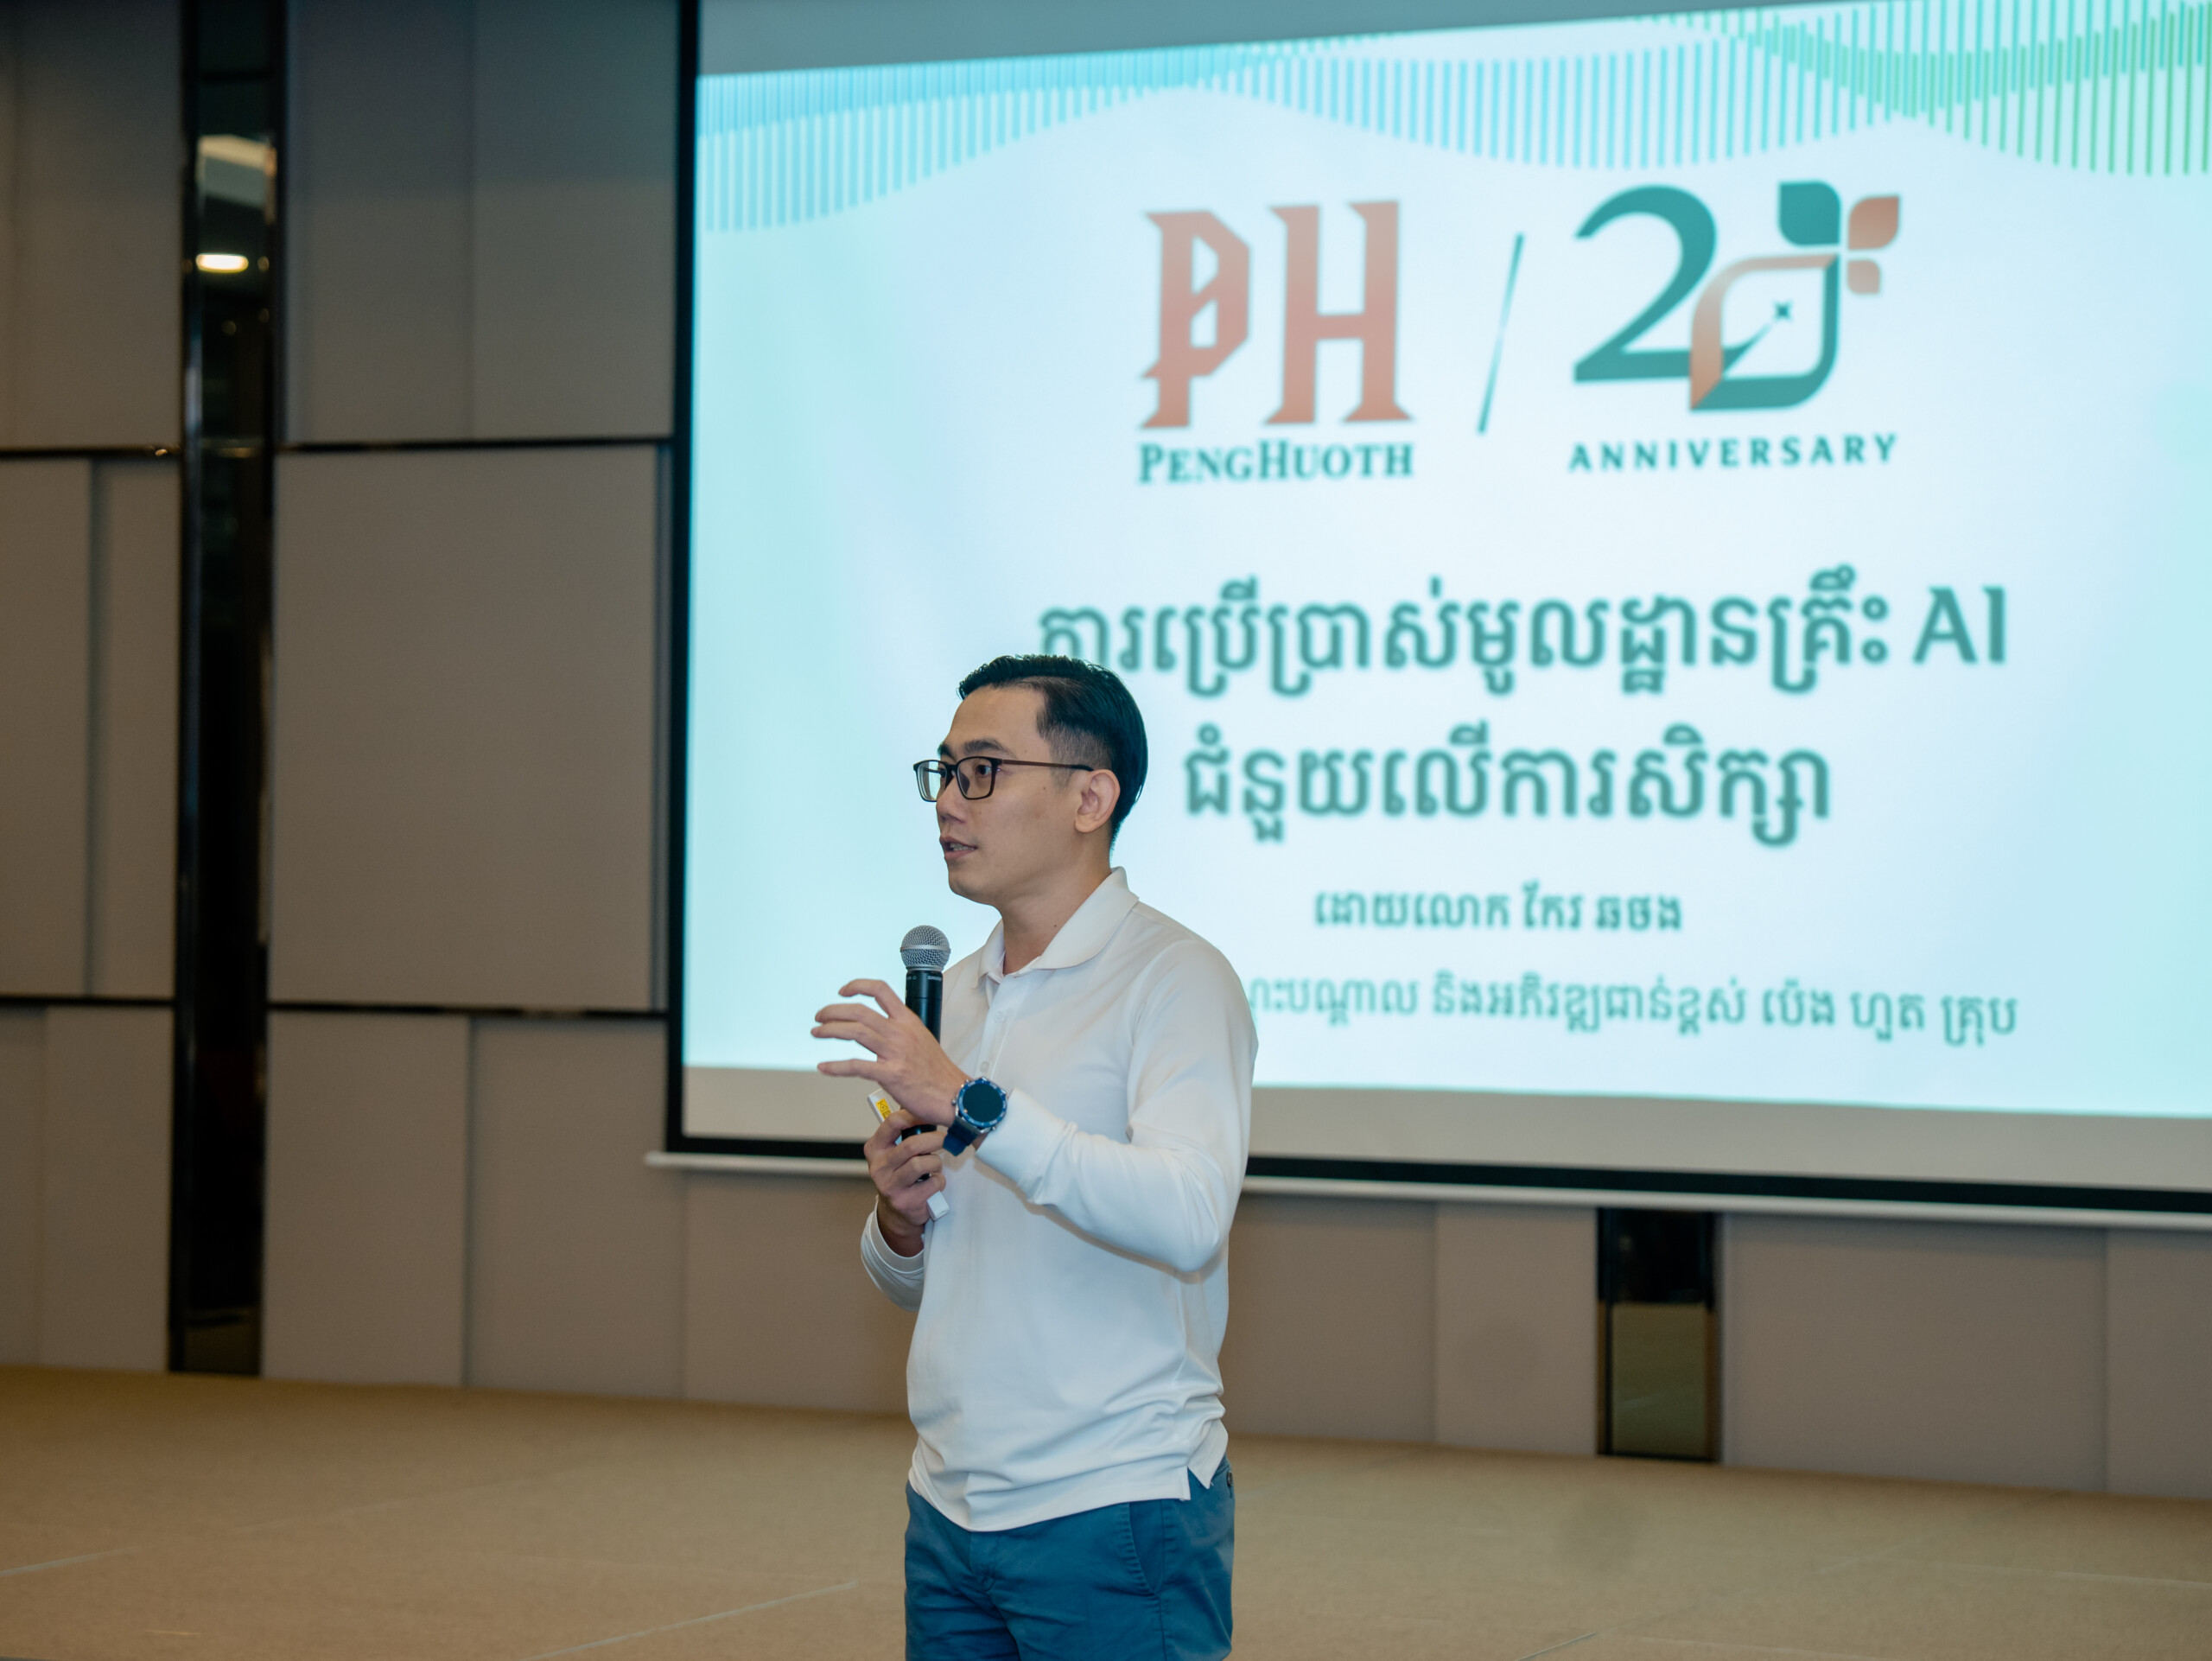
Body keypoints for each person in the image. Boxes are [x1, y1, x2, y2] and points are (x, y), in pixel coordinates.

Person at [810, 653, 1255, 1661]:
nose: (948, 801)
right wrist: (898, 1220)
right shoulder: (960, 994)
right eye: (944, 770)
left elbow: (1188, 1214)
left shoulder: (1176, 979)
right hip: (949, 1503)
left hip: (1114, 1501)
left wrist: (973, 1103)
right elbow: (920, 1279)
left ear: (1090, 797)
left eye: (983, 770)